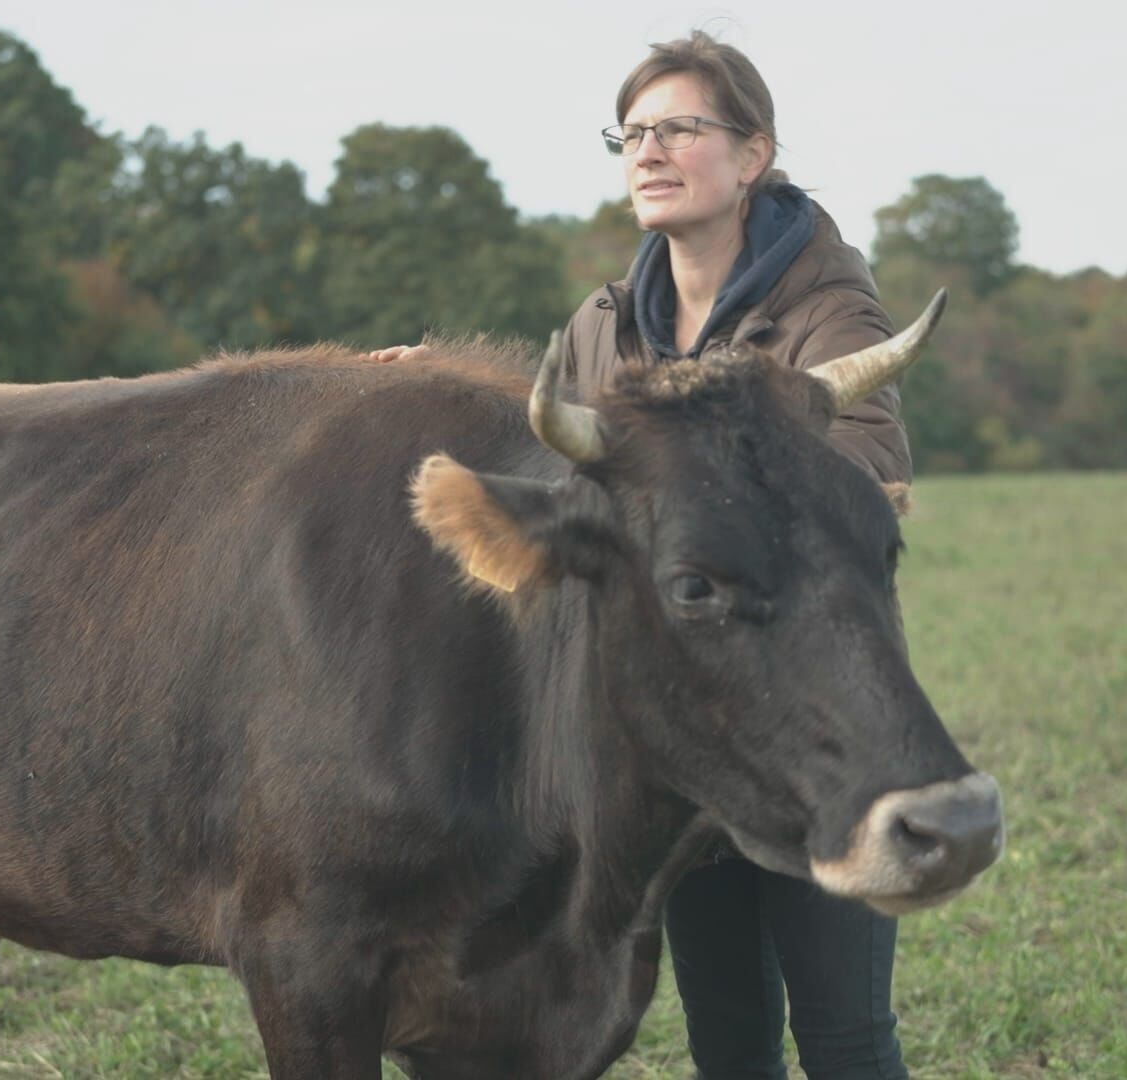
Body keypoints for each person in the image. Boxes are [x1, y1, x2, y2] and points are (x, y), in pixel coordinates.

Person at [377, 30, 914, 1080]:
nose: (648, 151)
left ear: (753, 154)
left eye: (679, 129)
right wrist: (421, 392)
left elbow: (861, 475)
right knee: (728, 1038)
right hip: (685, 727)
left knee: (847, 1037)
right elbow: (561, 459)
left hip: (818, 713)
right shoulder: (607, 326)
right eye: (632, 133)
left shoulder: (828, 310)